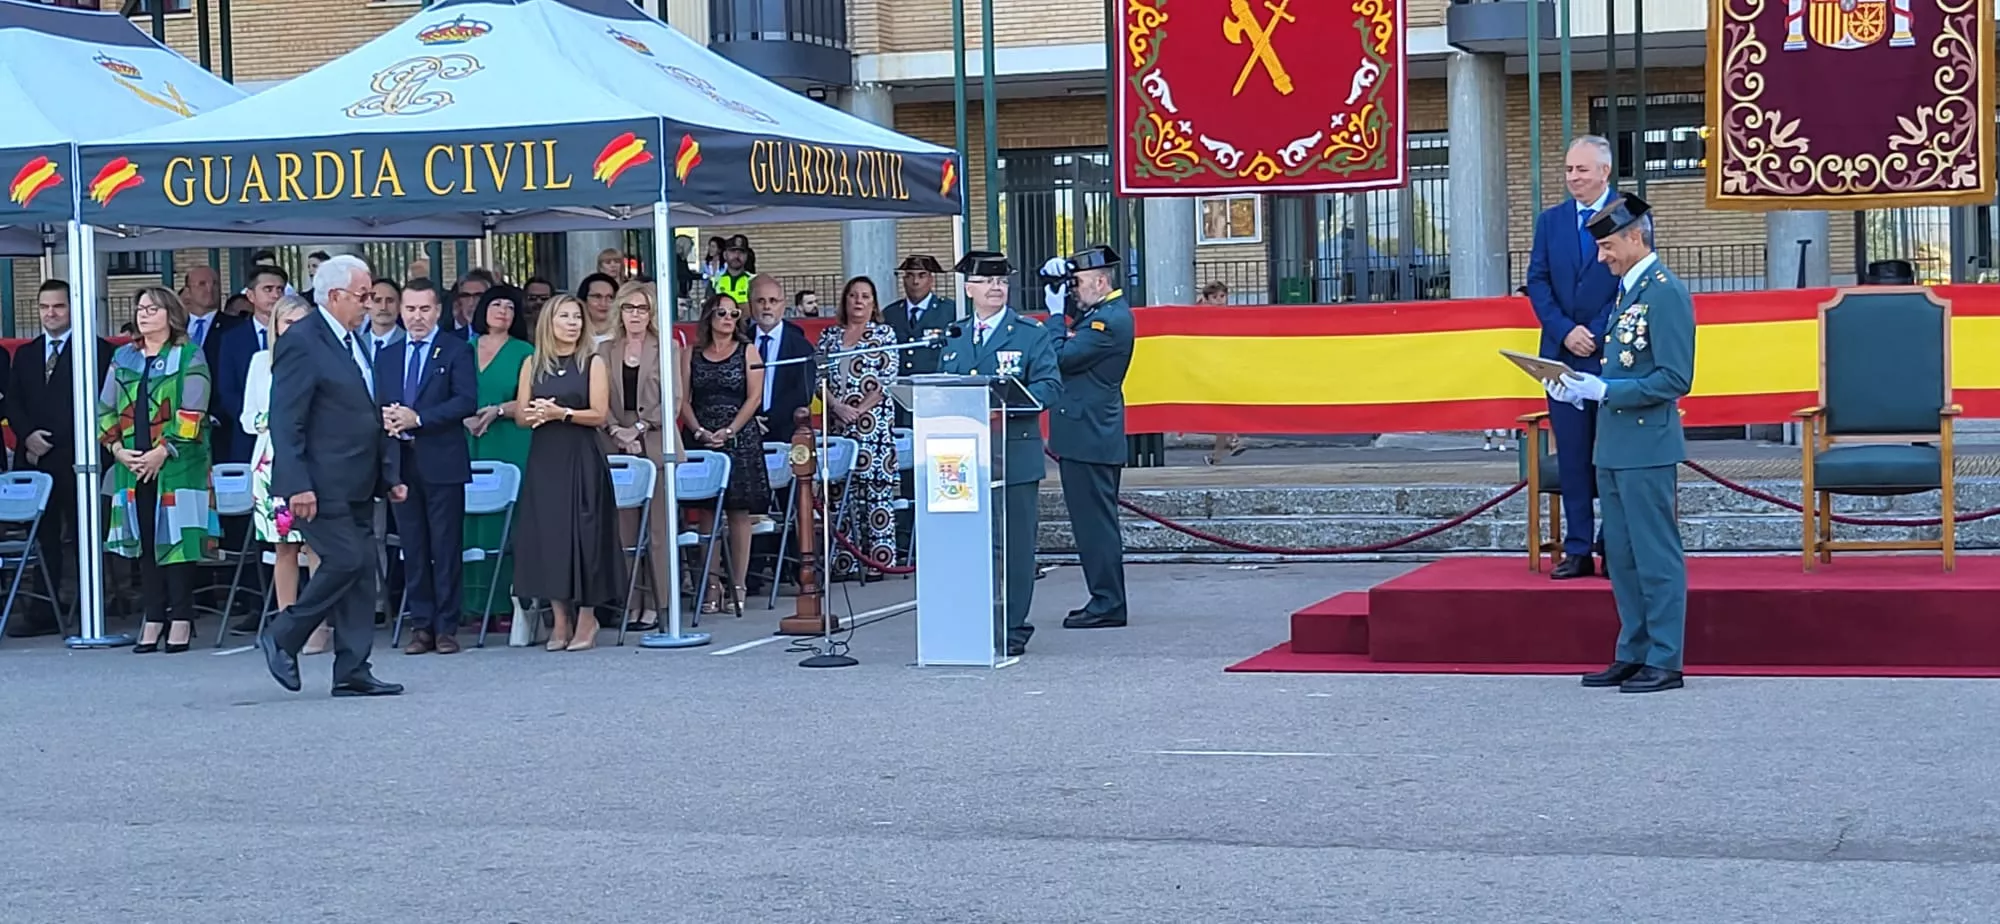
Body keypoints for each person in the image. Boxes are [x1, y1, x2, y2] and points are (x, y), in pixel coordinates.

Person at [1550, 194, 1694, 695]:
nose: (1603, 257)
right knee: (1624, 558)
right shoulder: (1626, 292)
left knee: (1654, 555)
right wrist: (1574, 385)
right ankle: (1632, 651)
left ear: (1636, 236)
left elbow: (1675, 378)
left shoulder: (1664, 292)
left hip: (1647, 447)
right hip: (1612, 446)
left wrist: (1606, 390)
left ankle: (1665, 657)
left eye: (1609, 246)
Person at [258, 254, 403, 698]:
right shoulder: (303, 340)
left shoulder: (352, 340)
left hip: (358, 478)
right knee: (347, 560)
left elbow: (366, 409)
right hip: (318, 483)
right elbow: (287, 419)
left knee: (362, 572)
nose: (371, 304)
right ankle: (284, 634)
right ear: (336, 296)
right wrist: (298, 483)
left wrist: (388, 472)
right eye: (364, 296)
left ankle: (353, 668)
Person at [936, 252, 1060, 657]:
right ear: (969, 288)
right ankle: (971, 619)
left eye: (1002, 282)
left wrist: (1008, 407)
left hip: (1013, 454)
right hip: (960, 459)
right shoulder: (953, 335)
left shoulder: (1029, 333)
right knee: (968, 543)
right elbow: (939, 387)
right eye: (986, 282)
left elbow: (1049, 386)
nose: (996, 288)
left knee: (1014, 547)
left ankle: (1011, 626)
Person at [97, 287, 215, 654]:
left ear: (171, 314)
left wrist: (162, 451)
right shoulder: (124, 356)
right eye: (140, 308)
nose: (144, 313)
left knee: (177, 543)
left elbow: (193, 410)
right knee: (146, 540)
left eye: (152, 308)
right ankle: (152, 617)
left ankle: (181, 617)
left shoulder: (189, 354)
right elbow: (106, 409)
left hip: (178, 463)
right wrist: (117, 449)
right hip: (133, 464)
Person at [1525, 135, 1621, 579]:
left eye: (1581, 170)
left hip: (1611, 358)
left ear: (1604, 171)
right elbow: (1538, 283)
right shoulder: (1551, 222)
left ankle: (1613, 545)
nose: (1573, 178)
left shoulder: (1627, 216)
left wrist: (1596, 333)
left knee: (1611, 455)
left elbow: (1630, 280)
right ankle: (1578, 548)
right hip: (1562, 358)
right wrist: (1565, 332)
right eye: (1568, 170)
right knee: (1574, 457)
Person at [511, 295, 627, 650]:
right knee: (550, 537)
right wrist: (538, 413)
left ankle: (588, 619)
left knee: (585, 535)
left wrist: (562, 413)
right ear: (550, 321)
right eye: (565, 316)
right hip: (545, 458)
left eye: (577, 316)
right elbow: (520, 416)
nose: (573, 322)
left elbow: (599, 413)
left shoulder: (592, 362)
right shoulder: (533, 362)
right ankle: (559, 620)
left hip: (580, 454)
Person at [3, 280, 111, 638]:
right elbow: (12, 400)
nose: (51, 313)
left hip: (76, 459)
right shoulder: (28, 353)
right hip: (34, 461)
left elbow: (96, 405)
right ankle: (43, 610)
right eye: (45, 307)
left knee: (83, 535)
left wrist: (54, 440)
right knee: (44, 538)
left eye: (59, 307)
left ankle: (89, 607)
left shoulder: (96, 352)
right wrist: (28, 436)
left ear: (73, 309)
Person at [377, 279, 479, 655]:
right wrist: (387, 418)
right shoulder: (386, 354)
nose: (416, 317)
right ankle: (421, 625)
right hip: (400, 463)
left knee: (446, 545)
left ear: (437, 311)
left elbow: (466, 401)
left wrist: (418, 419)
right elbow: (377, 400)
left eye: (424, 310)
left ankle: (447, 626)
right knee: (413, 546)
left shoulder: (455, 350)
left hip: (442, 459)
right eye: (410, 309)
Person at [1051, 245, 1134, 632]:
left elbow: (1062, 356)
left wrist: (1053, 316)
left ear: (1101, 282)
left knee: (1095, 526)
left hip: (1090, 436)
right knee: (1091, 524)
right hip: (1087, 434)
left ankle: (1108, 602)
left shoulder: (1108, 322)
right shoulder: (1100, 314)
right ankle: (1104, 598)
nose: (1074, 290)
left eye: (1079, 283)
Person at [243, 296, 330, 654]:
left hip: (312, 463)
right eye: (287, 322)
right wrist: (278, 421)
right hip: (270, 466)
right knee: (284, 549)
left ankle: (319, 624)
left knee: (315, 547)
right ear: (275, 326)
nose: (293, 329)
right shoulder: (261, 362)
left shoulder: (323, 359)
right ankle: (286, 626)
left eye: (301, 322)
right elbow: (248, 419)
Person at [600, 281, 686, 632]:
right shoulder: (605, 350)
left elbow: (674, 400)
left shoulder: (666, 348)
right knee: (624, 532)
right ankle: (631, 601)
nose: (635, 315)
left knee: (658, 529)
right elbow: (598, 396)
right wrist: (615, 431)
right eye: (629, 308)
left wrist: (637, 428)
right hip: (615, 445)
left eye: (642, 309)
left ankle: (658, 603)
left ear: (651, 314)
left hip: (654, 443)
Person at [681, 292, 771, 612]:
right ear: (709, 316)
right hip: (702, 434)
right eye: (722, 313)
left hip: (739, 436)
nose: (728, 320)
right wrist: (699, 431)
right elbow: (684, 398)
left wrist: (731, 429)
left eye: (734, 315)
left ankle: (738, 584)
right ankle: (711, 586)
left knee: (738, 513)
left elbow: (754, 397)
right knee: (706, 513)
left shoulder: (748, 351)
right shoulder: (691, 354)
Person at [461, 286, 535, 629]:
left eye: (510, 306)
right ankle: (471, 605)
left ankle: (506, 604)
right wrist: (462, 414)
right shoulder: (465, 348)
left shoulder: (525, 352)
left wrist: (499, 410)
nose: (502, 311)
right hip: (467, 438)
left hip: (509, 439)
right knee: (468, 520)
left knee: (506, 518)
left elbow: (532, 399)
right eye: (496, 304)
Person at [814, 277, 897, 580]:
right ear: (844, 301)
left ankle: (878, 563)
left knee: (875, 495)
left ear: (874, 303)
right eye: (853, 296)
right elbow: (818, 380)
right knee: (839, 496)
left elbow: (888, 379)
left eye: (865, 296)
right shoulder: (829, 337)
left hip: (873, 428)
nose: (859, 301)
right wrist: (837, 406)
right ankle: (845, 563)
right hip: (838, 426)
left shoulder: (885, 334)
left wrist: (859, 410)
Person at [748, 274, 817, 444]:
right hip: (746, 430)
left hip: (786, 433)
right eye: (760, 301)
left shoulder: (801, 346)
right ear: (751, 305)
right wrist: (750, 420)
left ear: (783, 305)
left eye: (773, 301)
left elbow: (803, 392)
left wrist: (768, 420)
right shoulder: (740, 341)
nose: (767, 307)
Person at [882, 254, 956, 377]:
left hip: (936, 384)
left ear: (931, 280)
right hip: (900, 384)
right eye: (910, 276)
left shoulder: (949, 310)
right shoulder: (890, 313)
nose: (915, 282)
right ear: (904, 280)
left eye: (922, 276)